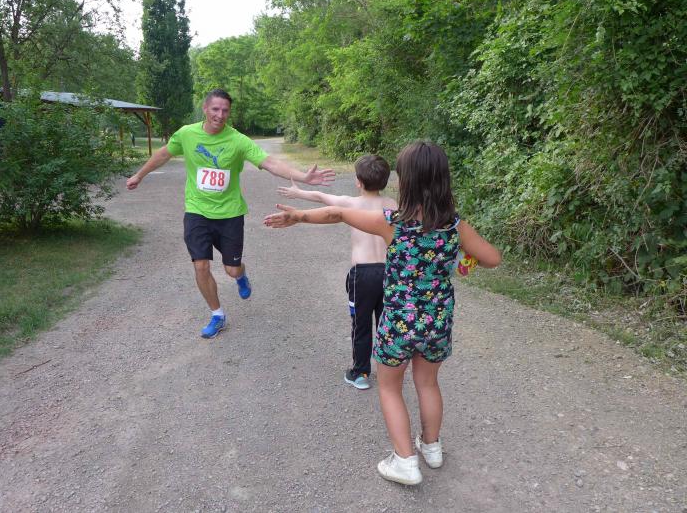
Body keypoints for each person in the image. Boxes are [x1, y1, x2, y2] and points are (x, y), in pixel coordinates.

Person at [264, 141, 501, 485]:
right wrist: (464, 260)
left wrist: (298, 216)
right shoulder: (455, 227)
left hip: (399, 322)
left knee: (390, 388)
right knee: (428, 383)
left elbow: (338, 213)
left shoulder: (393, 223)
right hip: (437, 322)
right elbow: (493, 258)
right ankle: (431, 447)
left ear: (405, 182)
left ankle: (405, 461)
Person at [126, 88, 335, 338]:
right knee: (201, 265)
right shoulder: (187, 134)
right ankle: (217, 314)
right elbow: (163, 154)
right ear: (205, 108)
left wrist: (303, 177)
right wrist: (139, 175)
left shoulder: (238, 140)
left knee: (231, 270)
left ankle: (241, 275)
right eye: (215, 109)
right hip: (197, 210)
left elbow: (270, 163)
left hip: (230, 214)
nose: (220, 115)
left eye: (225, 110)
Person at [277, 155, 397, 390]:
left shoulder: (350, 203)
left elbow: (322, 197)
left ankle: (360, 373)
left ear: (358, 182)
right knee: (387, 323)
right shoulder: (392, 204)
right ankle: (389, 371)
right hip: (390, 273)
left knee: (361, 325)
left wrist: (298, 193)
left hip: (362, 275)